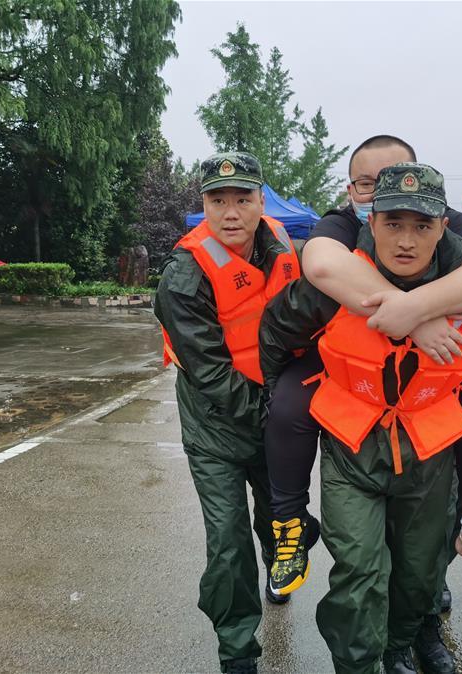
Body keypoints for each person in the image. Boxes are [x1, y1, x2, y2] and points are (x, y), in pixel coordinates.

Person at [260, 163, 462, 674]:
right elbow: (277, 334)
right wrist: (285, 392)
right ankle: (358, 665)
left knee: (420, 572)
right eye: (393, 223)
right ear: (370, 222)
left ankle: (398, 647)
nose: (406, 240)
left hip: (428, 451)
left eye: (422, 226)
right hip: (353, 449)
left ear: (444, 228)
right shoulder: (332, 282)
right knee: (359, 571)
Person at [154, 152, 301, 674]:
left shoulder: (284, 244)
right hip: (216, 423)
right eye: (219, 201)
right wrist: (276, 417)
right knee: (228, 540)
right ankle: (237, 649)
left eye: (243, 199)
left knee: (280, 517)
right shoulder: (184, 274)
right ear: (204, 206)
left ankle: (278, 572)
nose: (232, 212)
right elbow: (210, 372)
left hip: (272, 409)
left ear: (263, 201)